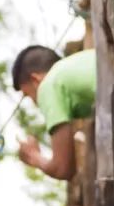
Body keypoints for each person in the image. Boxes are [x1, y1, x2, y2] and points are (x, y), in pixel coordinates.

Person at [11, 46, 95, 181]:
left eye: (28, 95)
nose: (35, 103)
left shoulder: (48, 85)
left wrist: (34, 156)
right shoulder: (80, 62)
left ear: (35, 80)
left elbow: (63, 169)